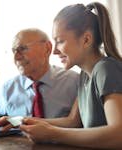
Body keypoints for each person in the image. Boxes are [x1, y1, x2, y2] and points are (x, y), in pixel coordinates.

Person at [13, 2, 122, 149]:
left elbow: (118, 134)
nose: (54, 51)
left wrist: (52, 133)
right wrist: (20, 121)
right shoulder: (85, 74)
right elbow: (73, 121)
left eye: (60, 41)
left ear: (86, 40)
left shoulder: (106, 69)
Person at [0, 28, 79, 128]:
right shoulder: (9, 87)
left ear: (47, 48)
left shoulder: (74, 82)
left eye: (22, 49)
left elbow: (78, 123)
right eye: (14, 51)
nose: (16, 57)